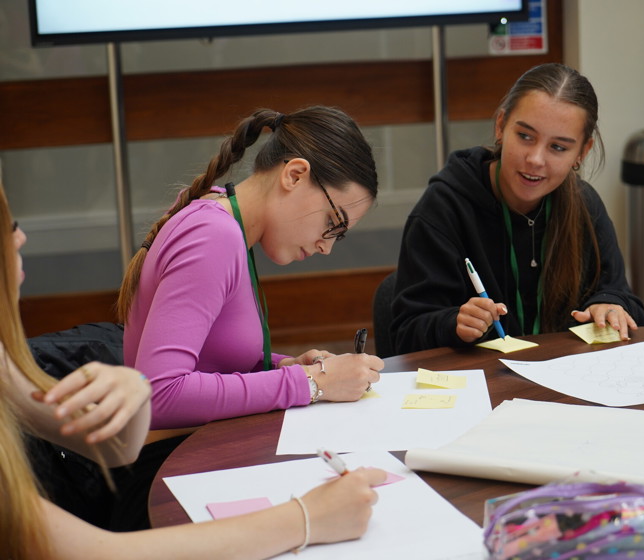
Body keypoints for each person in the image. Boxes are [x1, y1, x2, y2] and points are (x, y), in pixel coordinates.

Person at [1, 182, 385, 559]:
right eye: (6, 227)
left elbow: (120, 444)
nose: (19, 238)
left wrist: (135, 388)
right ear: (294, 176)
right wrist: (306, 517)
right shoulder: (215, 230)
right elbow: (100, 551)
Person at [117, 106, 384, 431]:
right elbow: (159, 394)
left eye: (338, 236)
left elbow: (211, 357)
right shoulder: (214, 236)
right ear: (294, 175)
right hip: (172, 461)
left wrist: (283, 366)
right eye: (332, 222)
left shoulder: (222, 218)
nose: (325, 247)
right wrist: (310, 382)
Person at [391, 63, 644, 354]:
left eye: (559, 148)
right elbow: (406, 335)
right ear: (501, 126)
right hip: (479, 390)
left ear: (582, 152)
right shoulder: (444, 207)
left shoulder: (584, 205)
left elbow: (624, 300)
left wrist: (611, 305)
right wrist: (454, 323)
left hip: (561, 387)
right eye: (525, 136)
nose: (536, 159)